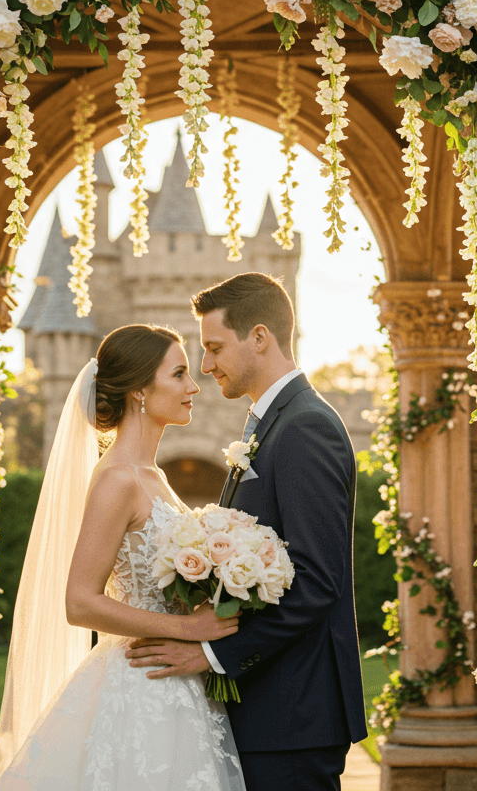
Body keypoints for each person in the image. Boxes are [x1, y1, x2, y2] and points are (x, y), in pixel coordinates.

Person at [125, 272, 367, 791]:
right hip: (268, 708)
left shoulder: (305, 427)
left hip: (292, 713)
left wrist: (211, 653)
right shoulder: (271, 422)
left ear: (259, 337)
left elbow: (318, 580)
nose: (205, 365)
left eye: (213, 347)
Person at [0, 323, 245, 791]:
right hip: (138, 686)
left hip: (179, 684)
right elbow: (80, 602)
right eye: (179, 374)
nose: (193, 386)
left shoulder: (154, 476)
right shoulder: (117, 479)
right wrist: (188, 629)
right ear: (139, 391)